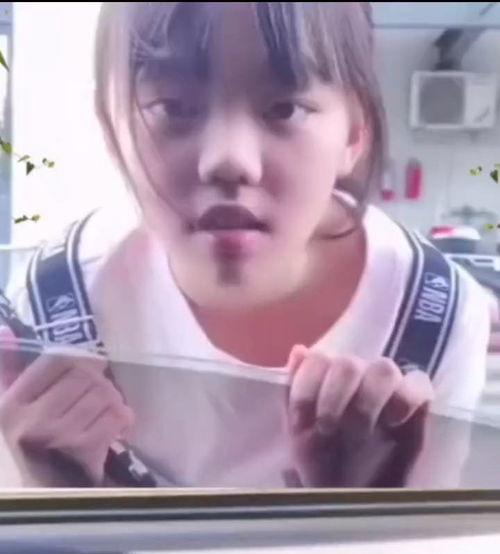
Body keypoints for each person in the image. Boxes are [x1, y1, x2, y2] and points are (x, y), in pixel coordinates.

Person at [0, 1, 491, 489]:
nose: (229, 160)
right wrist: (51, 489)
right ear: (111, 128)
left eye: (285, 108)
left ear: (355, 132)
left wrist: (360, 503)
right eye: (172, 107)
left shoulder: (435, 317)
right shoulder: (55, 302)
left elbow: (428, 538)